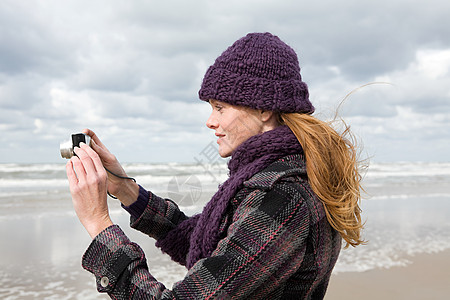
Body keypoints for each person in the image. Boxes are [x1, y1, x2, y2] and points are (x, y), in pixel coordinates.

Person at [66, 32, 364, 299]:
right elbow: (209, 247)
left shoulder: (283, 196)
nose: (210, 121)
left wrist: (98, 223)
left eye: (220, 107)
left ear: (263, 109)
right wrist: (125, 188)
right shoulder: (273, 174)